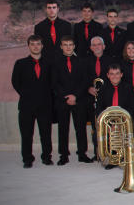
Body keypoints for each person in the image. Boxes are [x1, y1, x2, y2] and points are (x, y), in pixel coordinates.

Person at [12, 35, 53, 167]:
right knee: (26, 134)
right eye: (33, 44)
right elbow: (15, 82)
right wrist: (27, 95)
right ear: (29, 46)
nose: (35, 46)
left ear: (42, 46)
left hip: (45, 105)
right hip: (26, 105)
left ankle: (46, 157)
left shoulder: (49, 63)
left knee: (46, 134)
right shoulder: (20, 63)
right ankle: (27, 159)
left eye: (38, 44)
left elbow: (52, 83)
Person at [51, 35, 89, 165]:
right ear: (61, 46)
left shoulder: (82, 62)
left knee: (81, 128)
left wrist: (75, 96)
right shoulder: (55, 62)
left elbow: (85, 81)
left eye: (70, 45)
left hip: (79, 100)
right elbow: (54, 83)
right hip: (62, 101)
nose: (68, 47)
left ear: (74, 46)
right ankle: (63, 155)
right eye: (65, 45)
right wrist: (65, 97)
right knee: (63, 128)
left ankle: (82, 154)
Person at [96, 63, 134, 169]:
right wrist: (108, 125)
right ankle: (112, 159)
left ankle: (123, 157)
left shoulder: (128, 87)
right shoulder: (103, 89)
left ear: (121, 74)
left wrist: (121, 123)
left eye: (117, 73)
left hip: (124, 121)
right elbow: (99, 108)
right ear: (108, 75)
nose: (115, 76)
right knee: (105, 134)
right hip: (108, 122)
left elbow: (132, 107)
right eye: (112, 74)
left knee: (127, 132)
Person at [83, 36, 113, 159]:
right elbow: (81, 78)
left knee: (109, 126)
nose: (96, 47)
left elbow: (115, 78)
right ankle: (98, 153)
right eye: (94, 45)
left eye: (99, 44)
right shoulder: (84, 61)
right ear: (91, 48)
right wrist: (88, 88)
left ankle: (110, 152)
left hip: (107, 99)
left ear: (104, 46)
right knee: (96, 127)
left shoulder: (111, 60)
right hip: (91, 99)